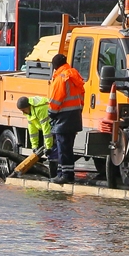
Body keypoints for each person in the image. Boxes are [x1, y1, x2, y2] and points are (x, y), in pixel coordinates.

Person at [47, 53, 84, 184]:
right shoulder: (75, 75)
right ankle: (67, 174)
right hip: (75, 116)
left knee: (62, 149)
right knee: (68, 148)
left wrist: (51, 113)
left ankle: (64, 175)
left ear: (55, 66)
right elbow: (82, 95)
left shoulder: (60, 78)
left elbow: (55, 100)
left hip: (63, 118)